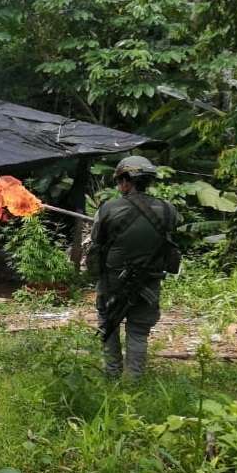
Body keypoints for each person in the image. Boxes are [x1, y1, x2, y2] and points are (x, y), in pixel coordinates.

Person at [87, 156, 180, 379]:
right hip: (148, 284)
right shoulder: (168, 210)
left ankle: (112, 377)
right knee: (138, 333)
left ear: (127, 181)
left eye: (120, 181)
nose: (119, 186)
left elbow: (96, 241)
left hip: (112, 284)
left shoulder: (108, 209)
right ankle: (134, 382)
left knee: (109, 329)